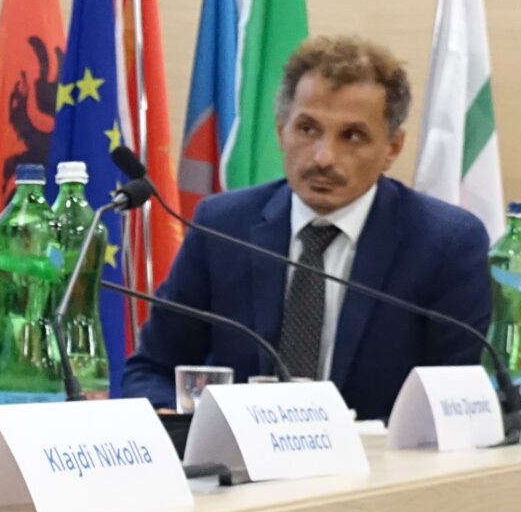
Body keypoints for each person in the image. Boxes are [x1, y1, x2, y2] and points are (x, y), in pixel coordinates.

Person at [120, 34, 489, 420]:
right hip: (239, 454)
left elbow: (456, 404)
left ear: (392, 148)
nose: (323, 157)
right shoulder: (223, 226)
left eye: (352, 136)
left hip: (375, 457)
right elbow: (151, 370)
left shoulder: (445, 243)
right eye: (308, 129)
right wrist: (178, 418)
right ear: (282, 131)